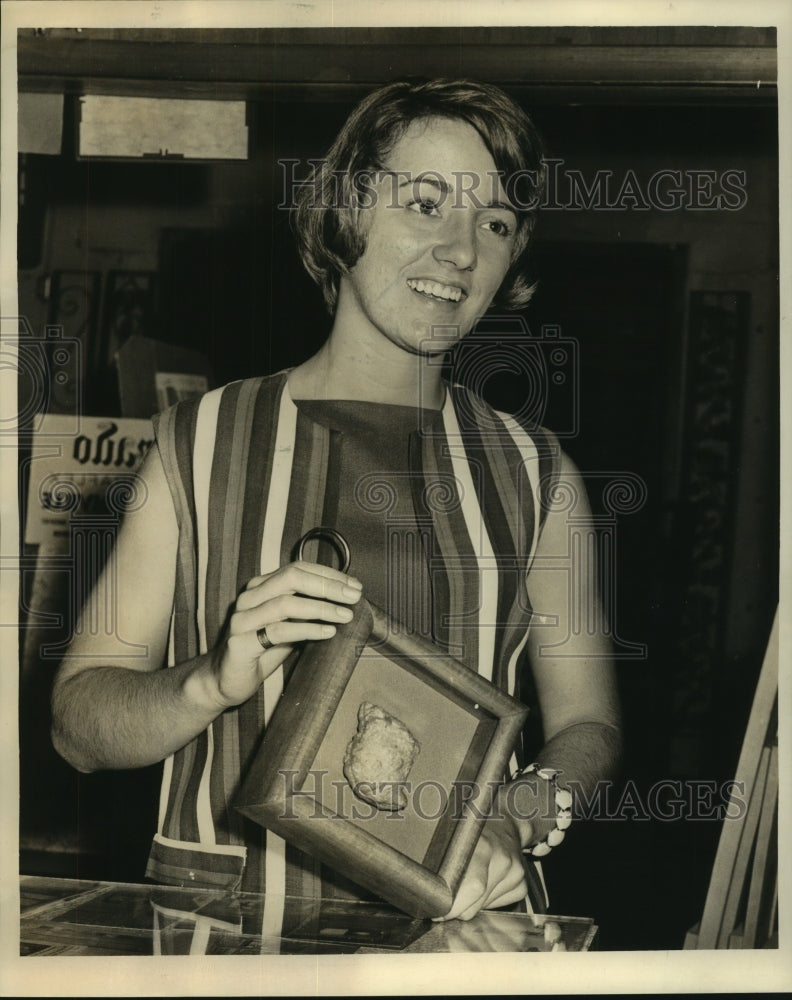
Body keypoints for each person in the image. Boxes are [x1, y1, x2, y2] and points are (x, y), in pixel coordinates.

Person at [51, 78, 622, 936]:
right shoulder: (197, 442)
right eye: (427, 204)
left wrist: (521, 812)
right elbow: (79, 731)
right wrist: (209, 681)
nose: (463, 251)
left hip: (463, 938)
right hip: (230, 942)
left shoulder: (540, 475)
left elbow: (589, 726)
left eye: (496, 223)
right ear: (346, 210)